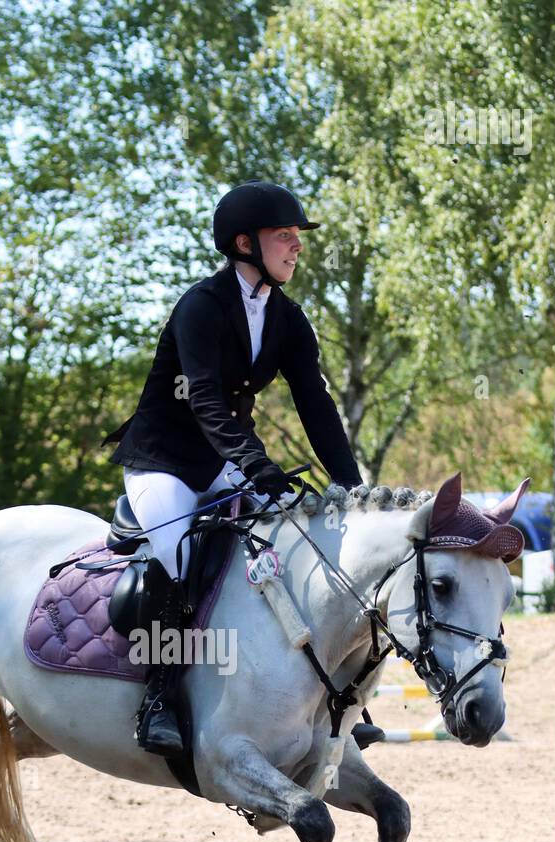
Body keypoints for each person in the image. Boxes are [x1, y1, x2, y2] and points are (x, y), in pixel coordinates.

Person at [102, 180, 364, 757]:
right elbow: (205, 402)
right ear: (245, 243)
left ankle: (336, 697)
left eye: (298, 238)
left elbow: (315, 404)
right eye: (285, 237)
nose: (296, 247)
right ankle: (160, 698)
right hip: (163, 463)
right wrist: (255, 464)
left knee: (297, 540)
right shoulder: (201, 305)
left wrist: (350, 483)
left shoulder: (287, 318)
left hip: (223, 461)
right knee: (179, 554)